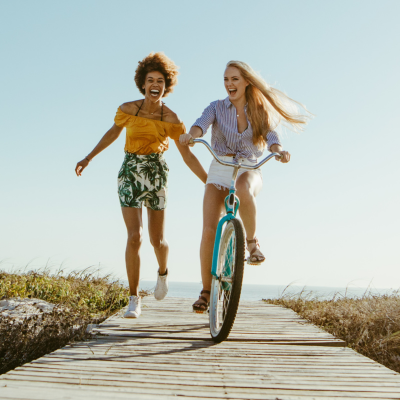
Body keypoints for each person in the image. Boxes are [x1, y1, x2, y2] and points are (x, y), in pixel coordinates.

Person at [75, 52, 207, 318]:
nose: (154, 84)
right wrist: (89, 157)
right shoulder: (127, 110)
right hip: (129, 171)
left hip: (156, 172)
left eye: (160, 80)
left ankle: (162, 273)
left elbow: (187, 155)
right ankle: (134, 298)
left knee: (157, 240)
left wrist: (209, 181)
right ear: (143, 83)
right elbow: (113, 132)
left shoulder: (171, 119)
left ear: (166, 86)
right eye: (150, 80)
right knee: (135, 236)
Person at [179, 60, 311, 312]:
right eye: (226, 80)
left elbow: (272, 136)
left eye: (235, 79)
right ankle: (206, 292)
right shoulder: (216, 107)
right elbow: (200, 124)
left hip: (249, 166)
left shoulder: (259, 110)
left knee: (242, 188)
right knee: (208, 230)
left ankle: (251, 242)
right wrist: (192, 136)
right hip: (219, 166)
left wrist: (278, 150)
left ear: (246, 82)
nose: (229, 84)